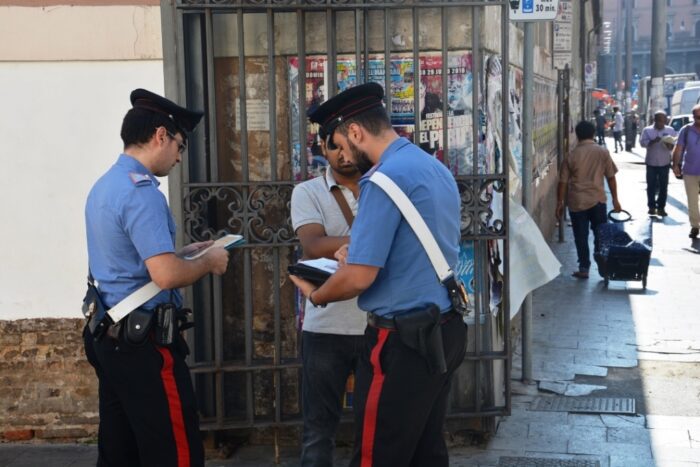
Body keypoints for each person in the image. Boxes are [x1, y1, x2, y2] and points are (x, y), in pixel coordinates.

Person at [289, 82, 467, 467]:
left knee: (377, 455)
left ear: (355, 132)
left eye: (339, 142)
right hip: (444, 328)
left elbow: (359, 278)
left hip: (401, 342)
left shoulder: (382, 180)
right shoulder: (431, 167)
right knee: (425, 450)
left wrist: (316, 296)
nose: (340, 153)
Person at [83, 89, 230, 466]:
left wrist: (184, 254)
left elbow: (131, 264)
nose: (180, 156)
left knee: (120, 449)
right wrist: (209, 261)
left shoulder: (107, 185)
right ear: (161, 136)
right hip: (143, 345)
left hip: (110, 333)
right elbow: (164, 277)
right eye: (180, 145)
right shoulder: (142, 192)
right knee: (174, 450)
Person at [291, 130, 367, 466]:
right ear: (323, 147)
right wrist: (370, 246)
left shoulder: (380, 189)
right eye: (334, 146)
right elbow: (312, 243)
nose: (344, 154)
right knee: (318, 432)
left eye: (350, 145)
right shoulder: (307, 191)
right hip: (325, 328)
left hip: (374, 326)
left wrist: (350, 248)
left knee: (372, 430)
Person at [556, 120, 622, 279]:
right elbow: (611, 178)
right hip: (598, 199)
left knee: (581, 235)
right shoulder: (603, 152)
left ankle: (584, 267)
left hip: (577, 201)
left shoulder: (571, 155)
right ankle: (603, 264)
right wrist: (615, 199)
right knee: (600, 233)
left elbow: (562, 182)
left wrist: (559, 203)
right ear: (593, 134)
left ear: (577, 135)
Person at [640, 110, 677, 216]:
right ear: (654, 120)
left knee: (663, 186)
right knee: (650, 186)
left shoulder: (670, 130)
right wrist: (652, 141)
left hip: (664, 163)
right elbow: (642, 143)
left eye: (663, 120)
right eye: (659, 120)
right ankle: (651, 207)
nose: (661, 123)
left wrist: (670, 146)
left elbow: (675, 144)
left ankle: (661, 207)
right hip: (651, 162)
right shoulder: (647, 130)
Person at [672, 103, 700, 238]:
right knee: (692, 201)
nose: (698, 120)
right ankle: (695, 226)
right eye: (696, 117)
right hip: (690, 171)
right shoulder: (686, 130)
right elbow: (678, 149)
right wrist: (675, 165)